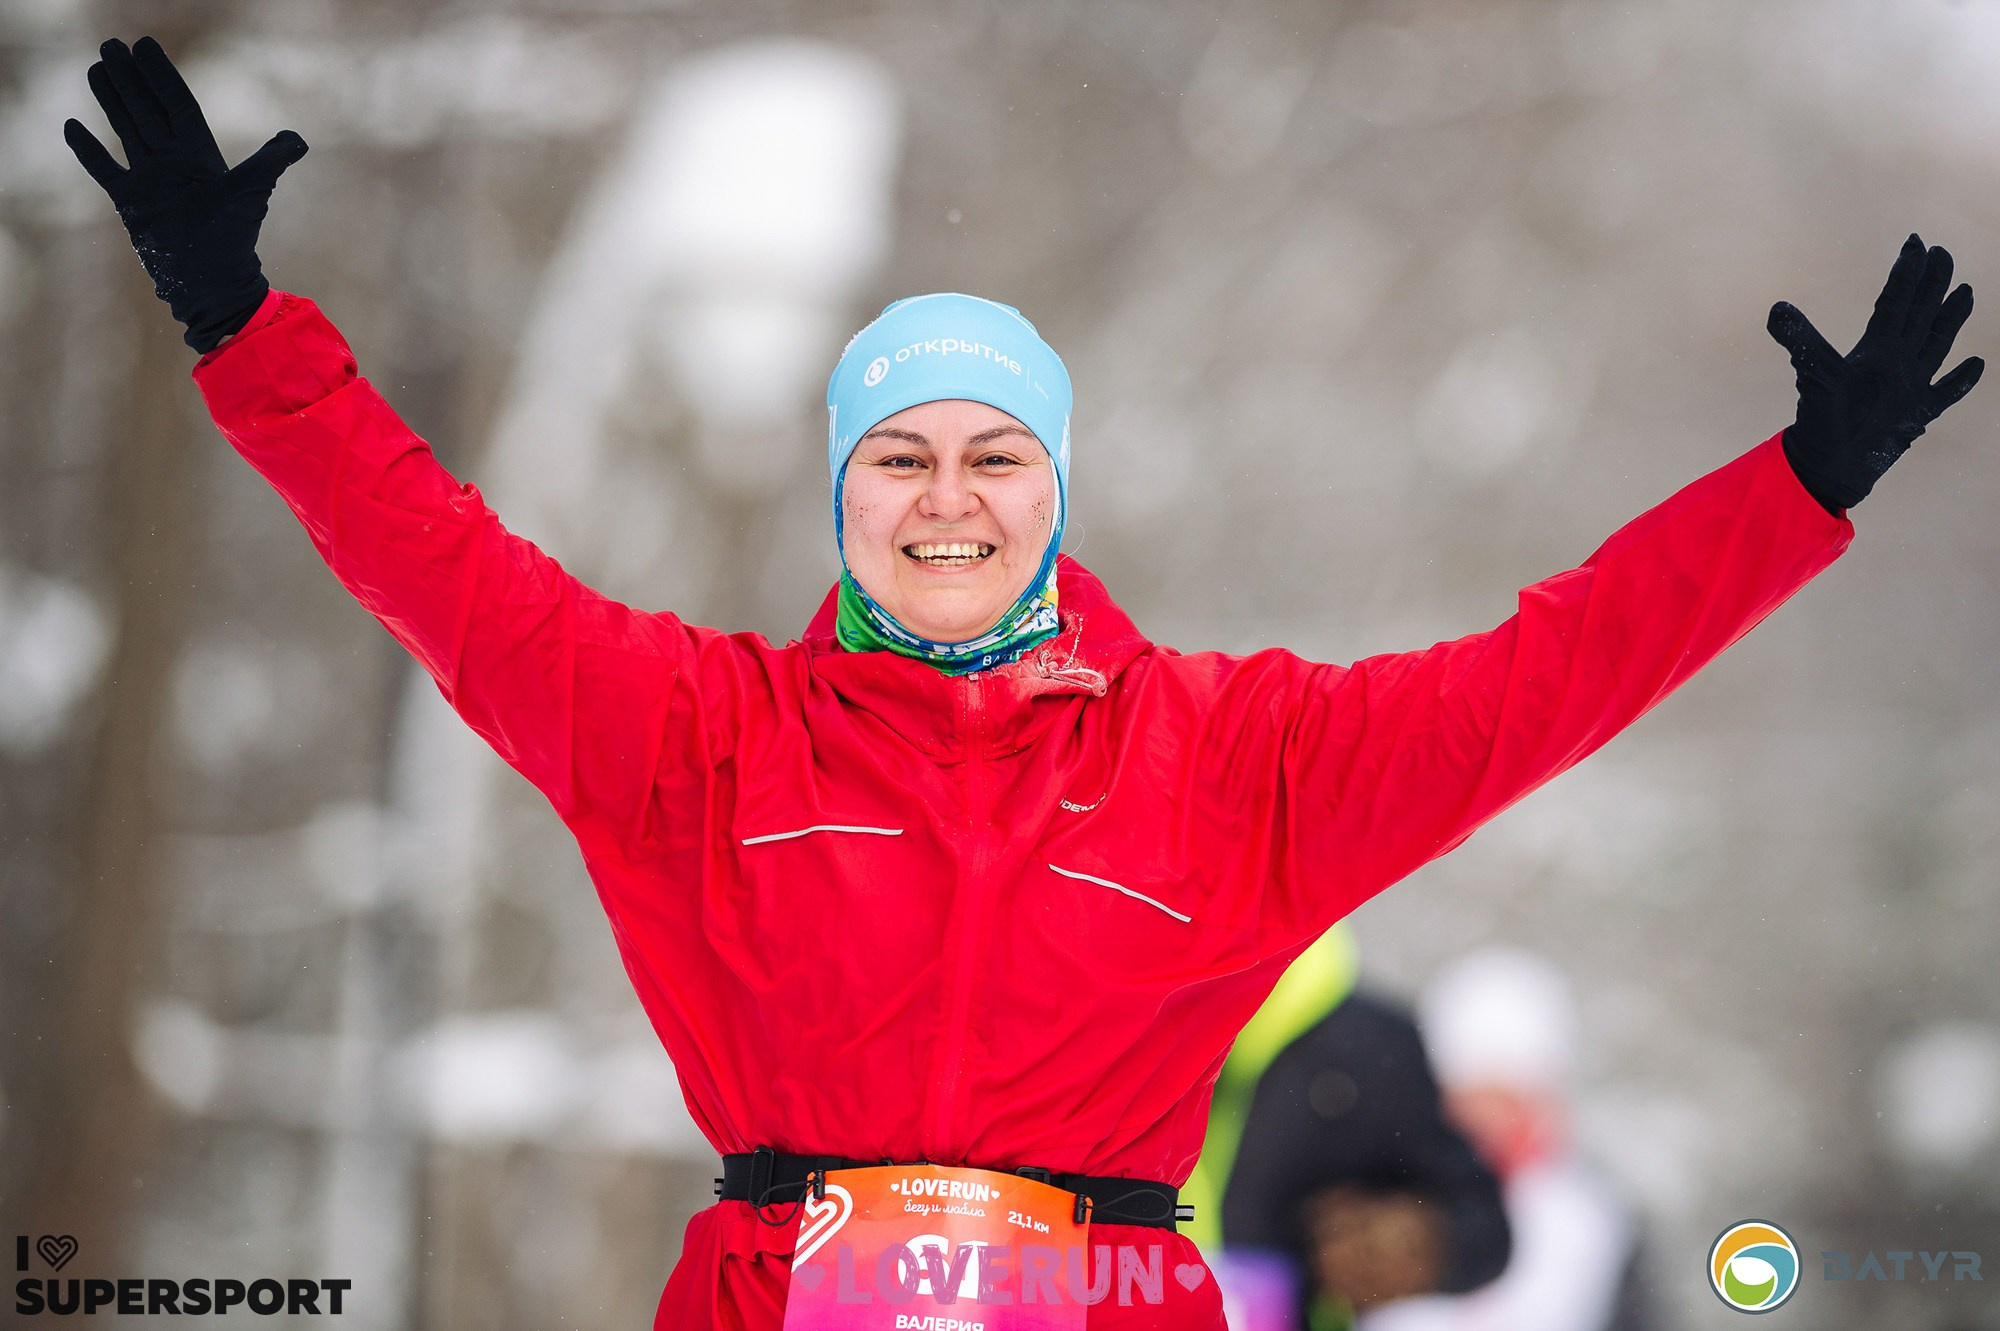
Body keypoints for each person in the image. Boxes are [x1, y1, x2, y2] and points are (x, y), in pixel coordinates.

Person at [64, 35, 1982, 1331]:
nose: (948, 498)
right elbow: (437, 562)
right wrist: (244, 327)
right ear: (844, 496)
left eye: (997, 457)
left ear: (1056, 494)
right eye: (899, 457)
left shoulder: (1236, 760)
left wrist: (1797, 488)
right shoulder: (700, 738)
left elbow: (1547, 674)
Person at [1354, 949, 1653, 1331]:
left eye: (1509, 1102)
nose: (1489, 1123)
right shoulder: (1378, 1205)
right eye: (1470, 1100)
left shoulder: (1597, 1228)